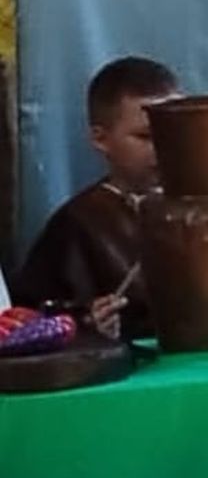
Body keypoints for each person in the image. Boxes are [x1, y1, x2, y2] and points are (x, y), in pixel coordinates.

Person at [12, 56, 179, 339]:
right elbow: (27, 323)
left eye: (174, 132)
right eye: (146, 136)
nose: (165, 147)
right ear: (101, 139)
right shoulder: (76, 224)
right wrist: (86, 325)